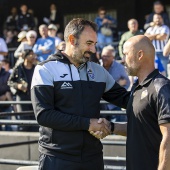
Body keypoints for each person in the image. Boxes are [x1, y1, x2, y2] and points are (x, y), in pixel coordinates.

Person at [31, 18, 130, 170]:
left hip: (93, 158)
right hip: (57, 158)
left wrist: (153, 88)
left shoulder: (98, 71)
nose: (93, 50)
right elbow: (44, 115)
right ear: (72, 40)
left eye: (95, 44)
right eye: (89, 43)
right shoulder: (45, 69)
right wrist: (88, 123)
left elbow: (126, 99)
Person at [93, 35, 170, 170]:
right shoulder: (136, 88)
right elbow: (139, 128)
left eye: (126, 54)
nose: (123, 60)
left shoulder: (161, 87)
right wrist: (111, 127)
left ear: (140, 55)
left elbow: (169, 138)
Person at [8, 49, 37, 132]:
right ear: (25, 56)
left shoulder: (36, 68)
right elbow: (10, 82)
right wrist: (18, 85)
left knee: (35, 122)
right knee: (23, 121)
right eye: (30, 54)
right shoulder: (18, 68)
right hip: (22, 97)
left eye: (33, 54)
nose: (33, 56)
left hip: (34, 97)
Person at [100, 45, 130, 122]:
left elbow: (127, 82)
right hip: (99, 104)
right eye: (103, 55)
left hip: (114, 103)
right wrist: (117, 84)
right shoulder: (96, 66)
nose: (104, 58)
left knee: (118, 127)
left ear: (113, 57)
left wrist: (117, 92)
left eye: (107, 56)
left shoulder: (119, 67)